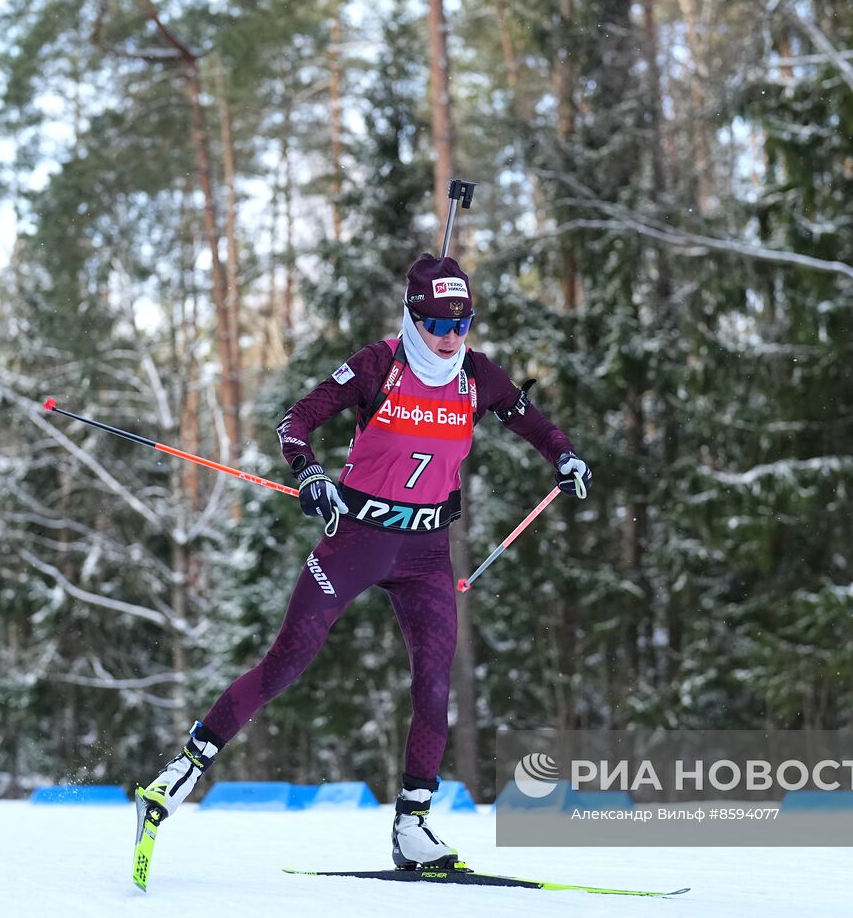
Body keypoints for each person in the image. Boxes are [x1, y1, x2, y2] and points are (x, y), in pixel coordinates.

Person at [137, 253, 591, 869]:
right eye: (439, 324)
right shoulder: (380, 365)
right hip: (356, 540)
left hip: (426, 551)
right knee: (286, 663)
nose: (453, 337)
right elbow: (296, 421)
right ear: (413, 316)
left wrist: (564, 457)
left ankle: (413, 825)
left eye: (464, 324)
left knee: (435, 683)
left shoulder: (478, 375)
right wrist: (311, 474)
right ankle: (179, 774)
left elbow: (534, 424)